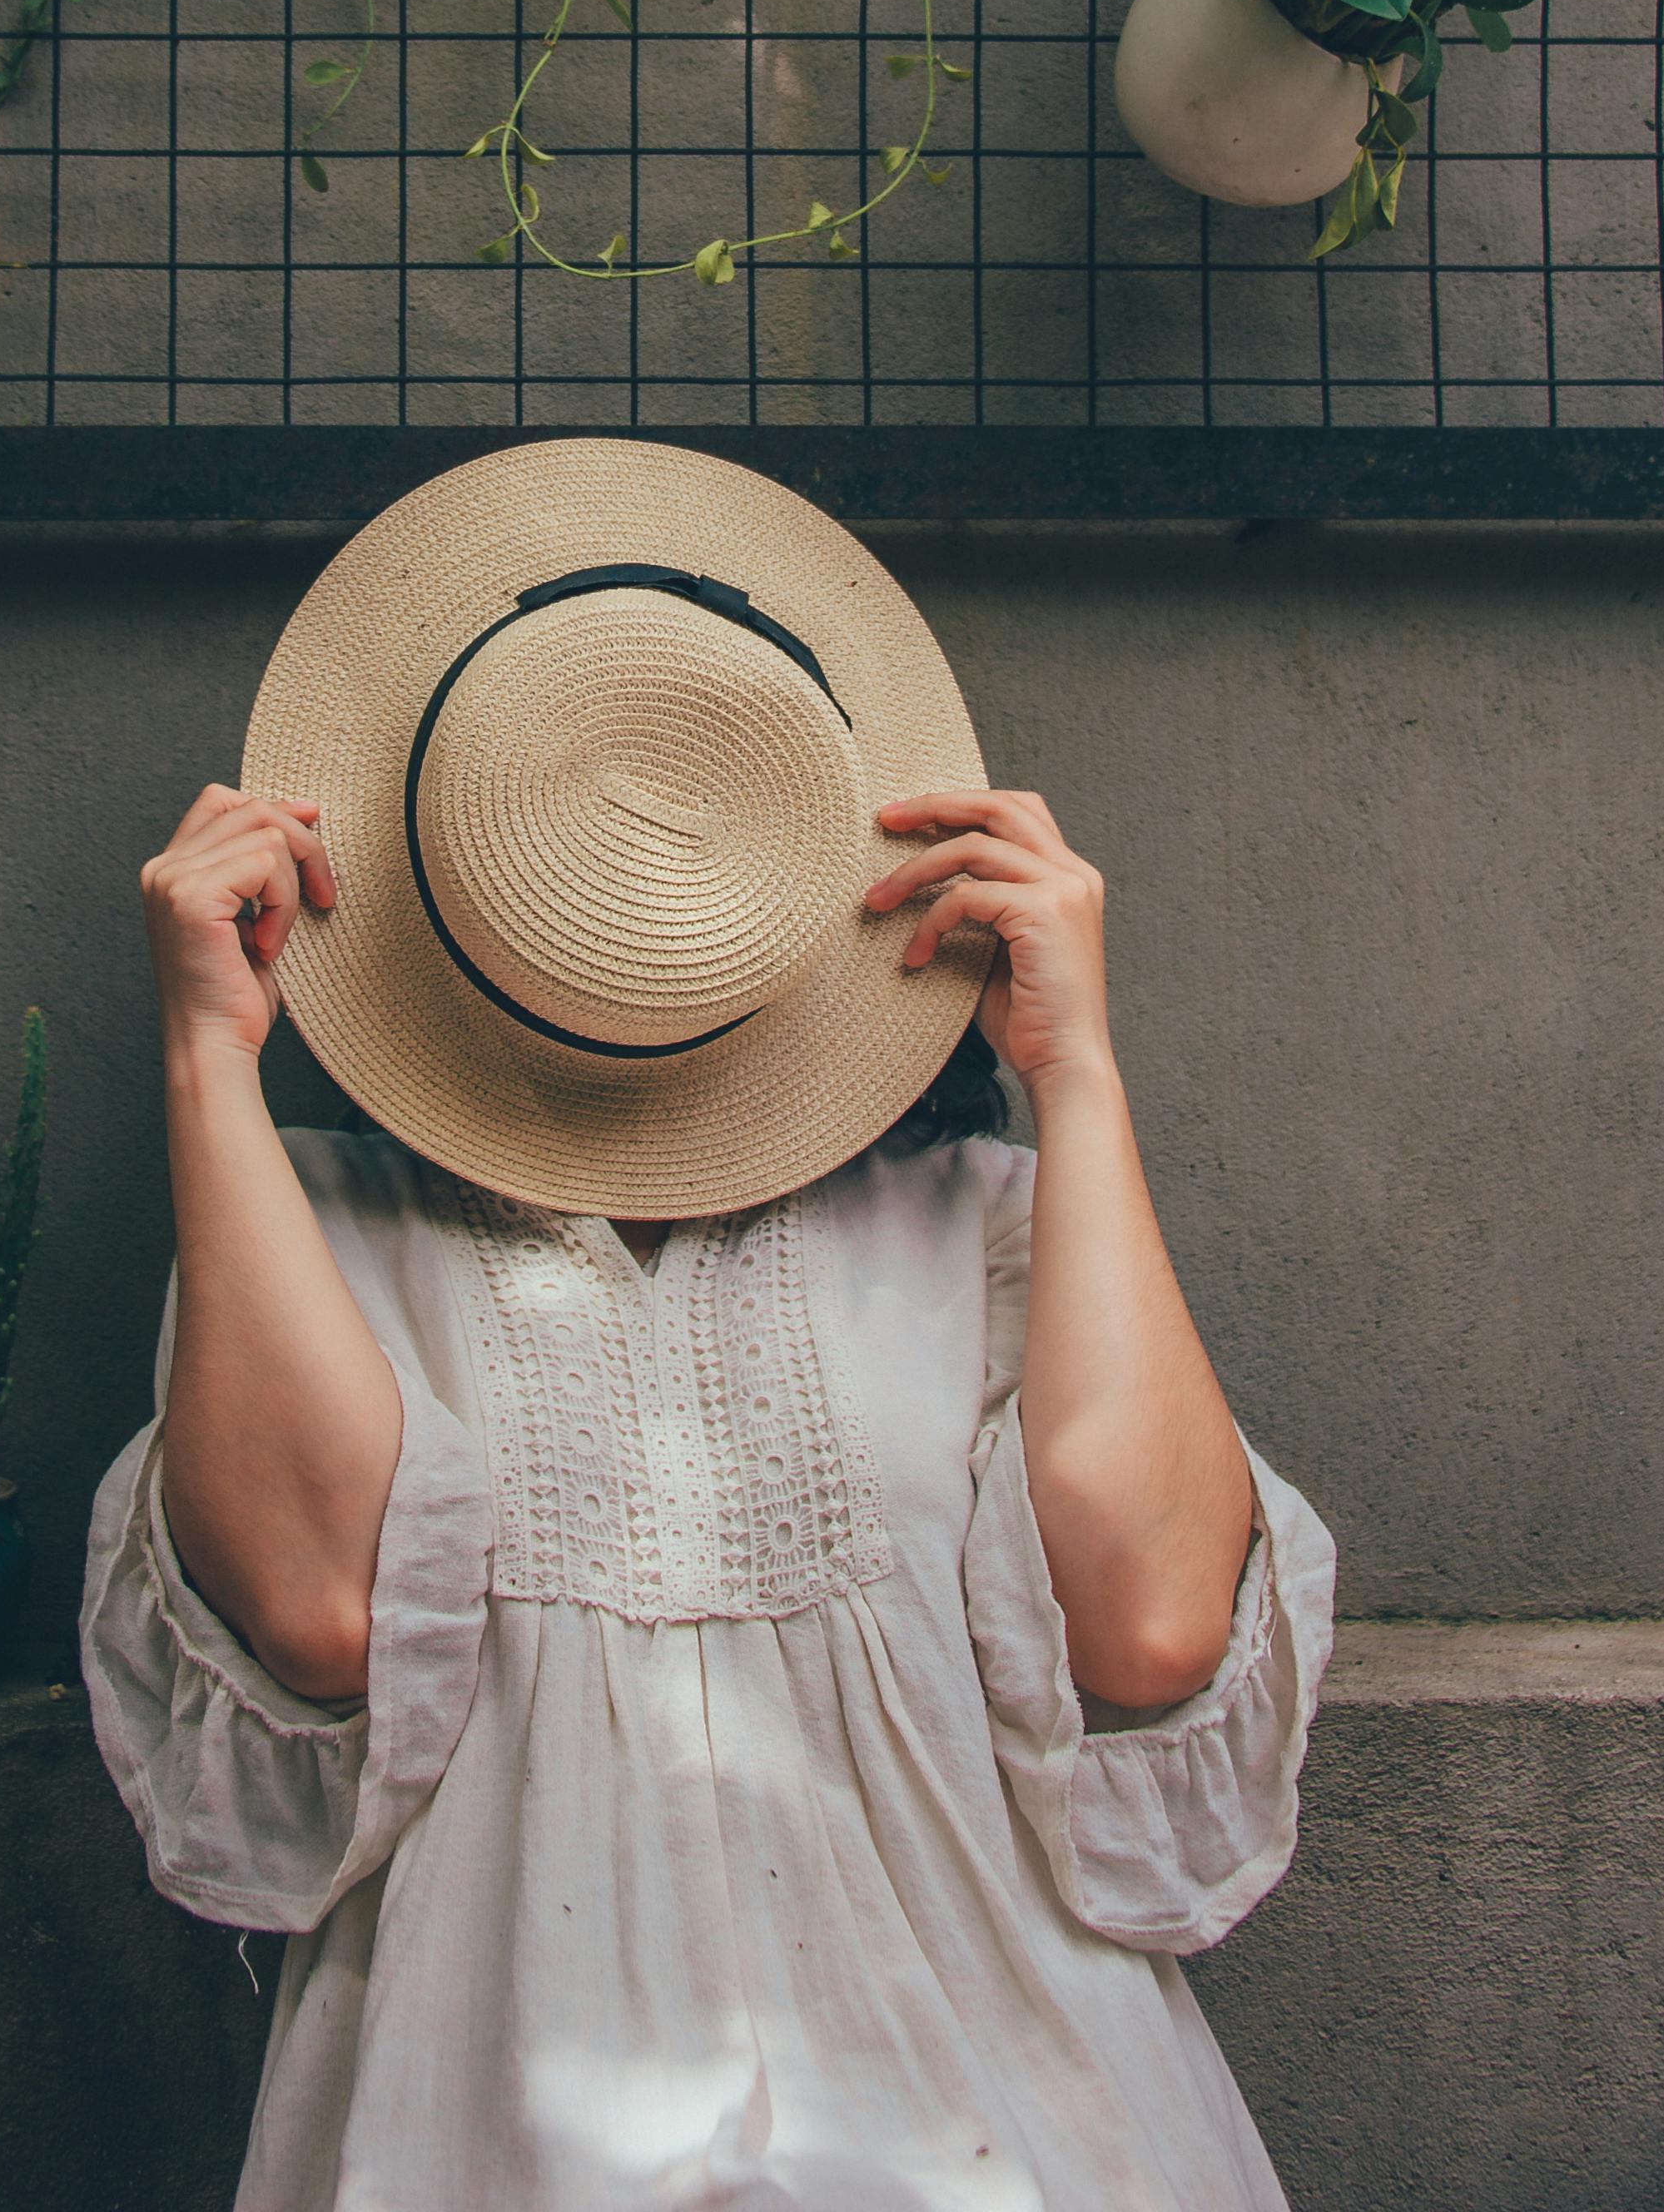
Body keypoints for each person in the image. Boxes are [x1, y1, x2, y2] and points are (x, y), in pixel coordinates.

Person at [82, 442, 1333, 2212]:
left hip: (1016, 2128)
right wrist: (209, 1055)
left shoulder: (981, 1228)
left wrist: (1081, 1075)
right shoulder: (322, 1233)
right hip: (503, 2141)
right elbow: (317, 1610)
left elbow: (1143, 1628)